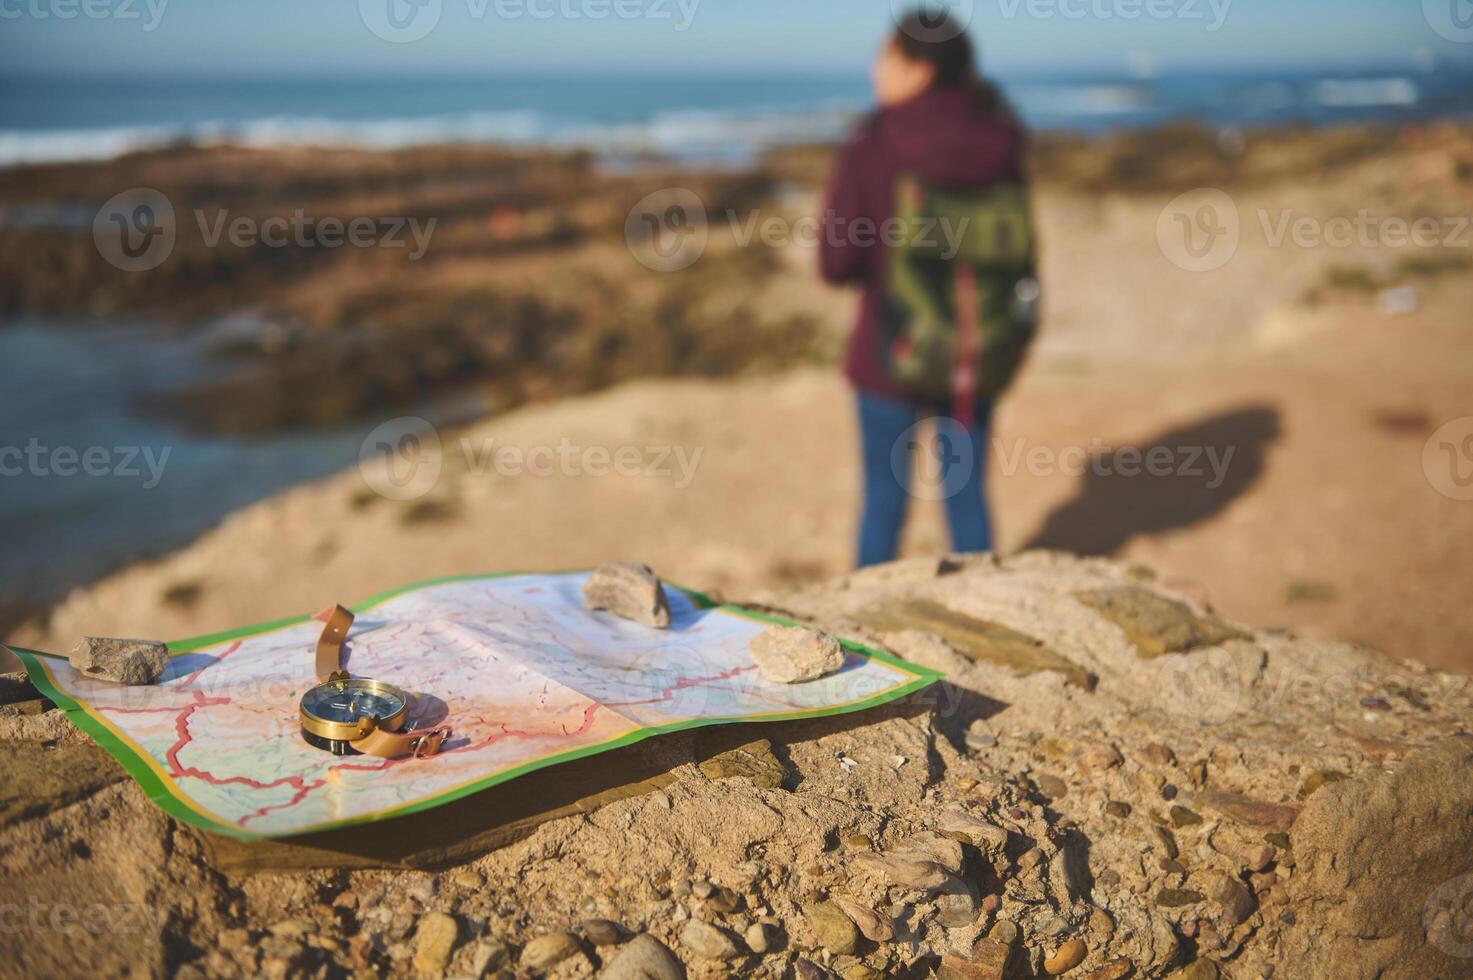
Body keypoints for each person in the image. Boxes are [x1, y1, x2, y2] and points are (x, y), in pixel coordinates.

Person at [820, 9, 1028, 568]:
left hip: (890, 348)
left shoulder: (875, 142)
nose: (875, 67)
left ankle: (868, 632)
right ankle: (985, 606)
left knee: (884, 505)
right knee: (968, 501)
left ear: (919, 68)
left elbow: (836, 262)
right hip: (975, 341)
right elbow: (1018, 246)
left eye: (886, 55)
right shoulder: (1000, 136)